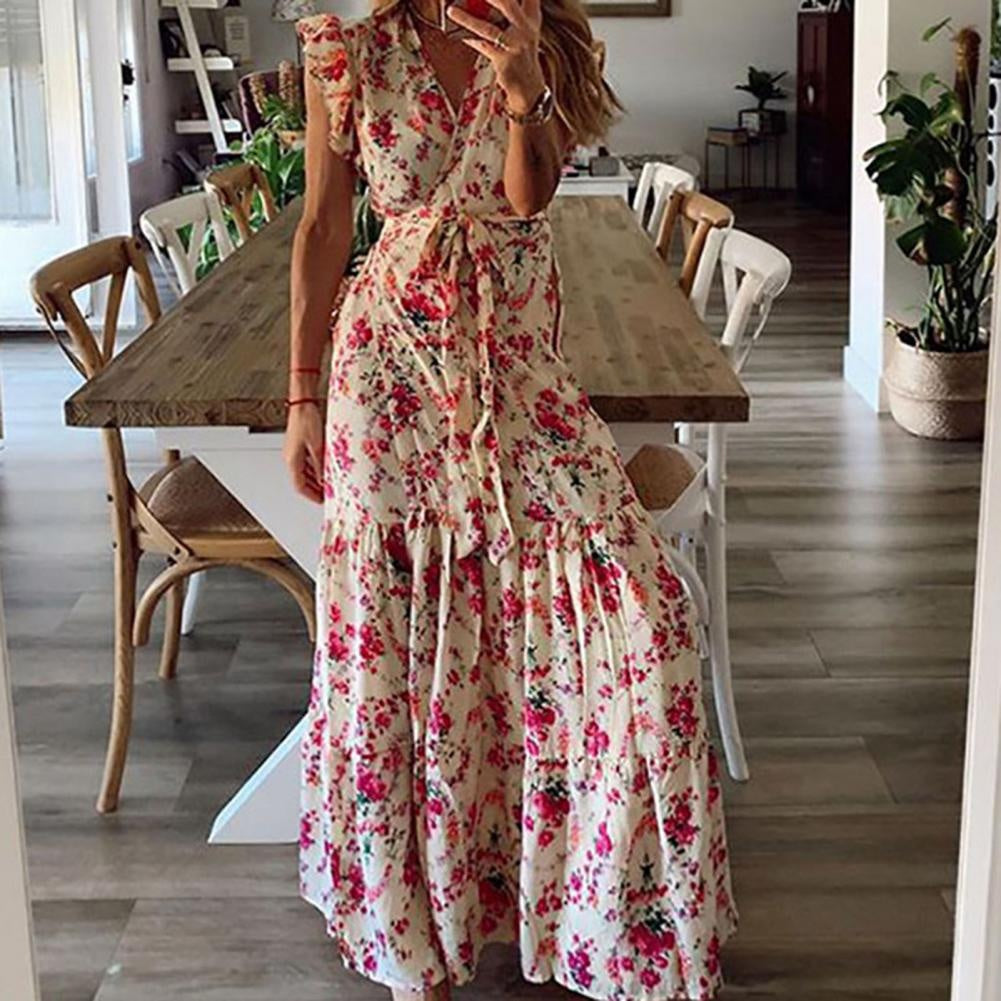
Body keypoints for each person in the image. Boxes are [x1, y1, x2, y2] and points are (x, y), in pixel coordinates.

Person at [283, 0, 737, 997]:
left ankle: (597, 916)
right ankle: (417, 929)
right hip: (387, 374)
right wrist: (302, 394)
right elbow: (322, 226)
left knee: (649, 613)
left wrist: (527, 90)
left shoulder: (543, 39)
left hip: (518, 365)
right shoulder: (346, 54)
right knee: (397, 641)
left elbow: (528, 202)